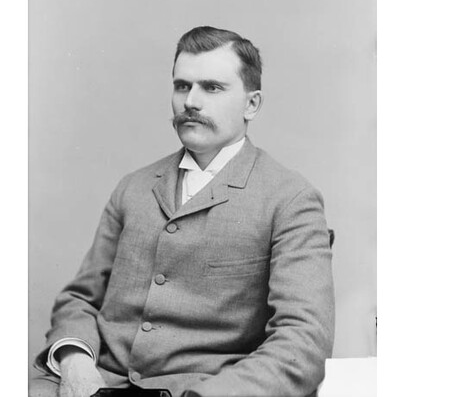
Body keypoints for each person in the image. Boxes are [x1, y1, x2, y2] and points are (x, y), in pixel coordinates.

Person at [30, 26, 335, 397]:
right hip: (100, 381)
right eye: (181, 86)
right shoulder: (134, 186)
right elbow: (80, 299)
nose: (191, 101)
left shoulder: (291, 199)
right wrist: (76, 363)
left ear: (252, 104)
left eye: (212, 87)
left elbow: (302, 342)